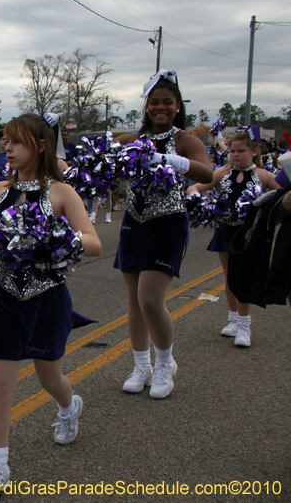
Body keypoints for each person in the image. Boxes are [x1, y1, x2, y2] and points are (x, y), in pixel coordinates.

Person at [0, 114, 101, 502]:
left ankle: (69, 407)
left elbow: (93, 242)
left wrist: (54, 239)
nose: (8, 148)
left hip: (47, 298)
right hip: (4, 297)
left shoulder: (61, 193)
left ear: (39, 145)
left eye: (16, 142)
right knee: (1, 383)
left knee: (48, 379)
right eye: (5, 142)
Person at [114, 70, 213, 399]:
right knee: (133, 303)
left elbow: (208, 172)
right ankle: (141, 365)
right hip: (134, 221)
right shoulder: (131, 139)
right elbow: (96, 161)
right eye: (154, 102)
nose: (160, 107)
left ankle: (165, 364)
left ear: (177, 106)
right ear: (146, 106)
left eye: (167, 103)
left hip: (168, 222)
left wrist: (171, 160)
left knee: (150, 301)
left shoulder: (186, 140)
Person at [187, 129, 279, 347]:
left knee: (243, 276)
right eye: (232, 151)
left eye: (241, 151)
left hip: (249, 233)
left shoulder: (263, 175)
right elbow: (196, 186)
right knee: (229, 276)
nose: (235, 155)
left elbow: (284, 193)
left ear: (254, 151)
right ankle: (234, 319)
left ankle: (245, 324)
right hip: (226, 230)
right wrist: (195, 197)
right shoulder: (221, 173)